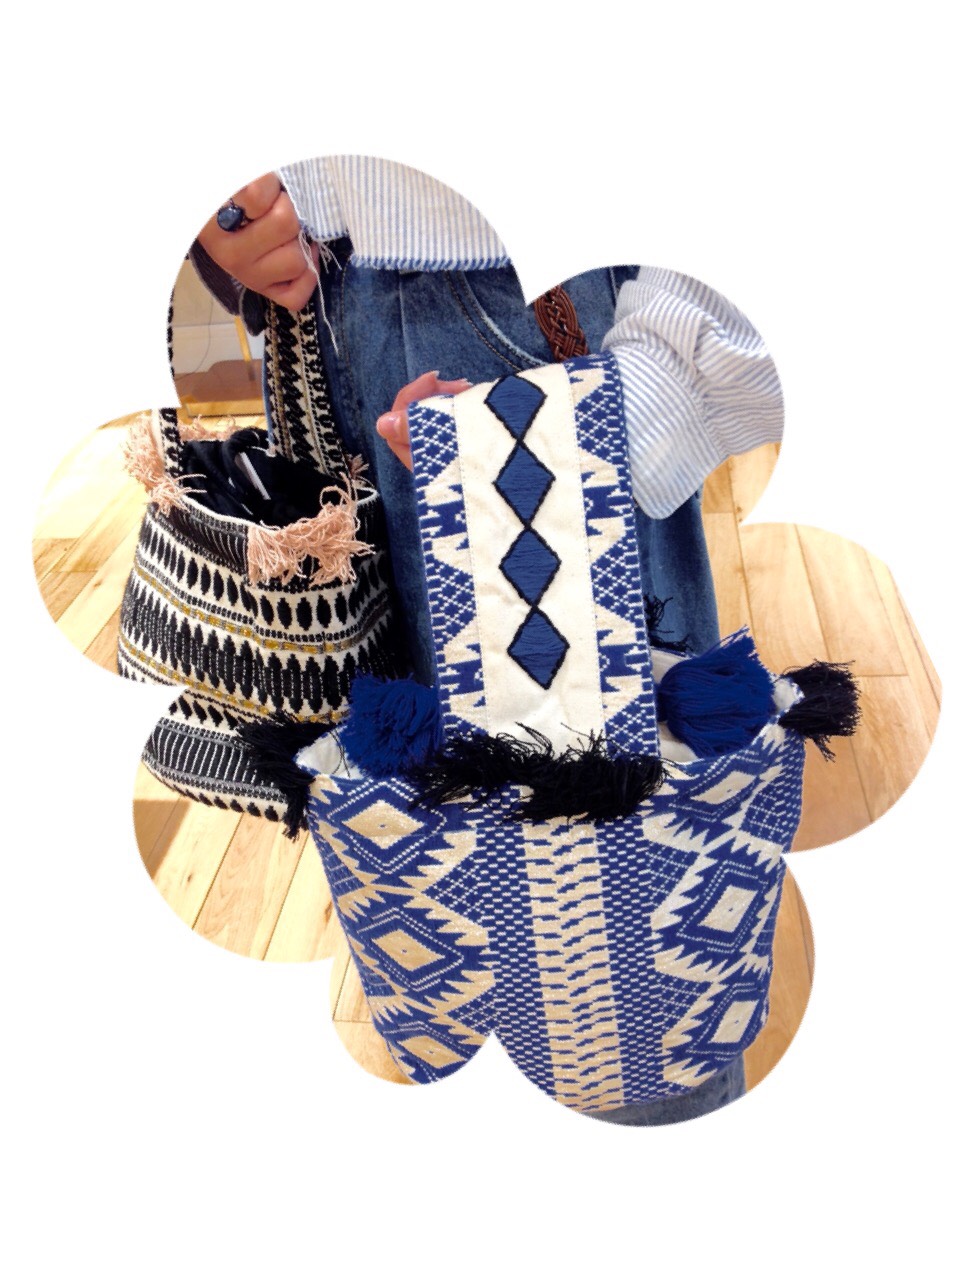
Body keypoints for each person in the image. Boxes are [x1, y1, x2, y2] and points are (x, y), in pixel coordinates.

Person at [189, 157, 784, 1125]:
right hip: (335, 316)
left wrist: (660, 377)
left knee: (625, 966)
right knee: (446, 921)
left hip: (522, 324)